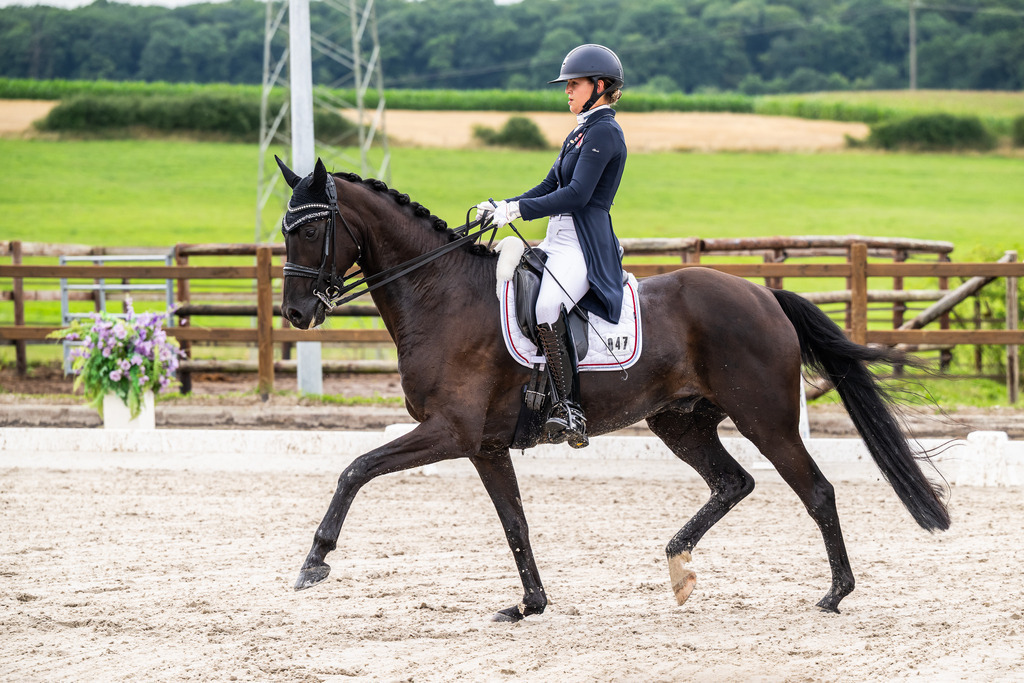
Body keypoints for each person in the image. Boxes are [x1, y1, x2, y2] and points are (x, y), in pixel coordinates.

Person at [478, 44, 627, 449]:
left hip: (584, 243)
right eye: (567, 86)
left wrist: (518, 211)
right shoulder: (579, 131)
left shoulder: (605, 132)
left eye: (574, 85)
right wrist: (504, 205)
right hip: (556, 239)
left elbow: (577, 195)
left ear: (599, 85)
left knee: (547, 307)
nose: (567, 92)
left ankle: (570, 408)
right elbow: (549, 186)